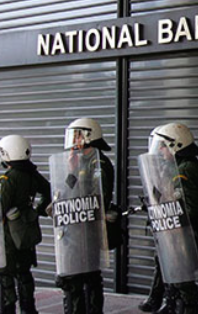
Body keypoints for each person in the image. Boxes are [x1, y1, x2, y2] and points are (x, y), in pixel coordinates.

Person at [138, 123, 198, 314]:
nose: (160, 150)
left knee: (184, 285)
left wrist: (167, 210)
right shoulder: (177, 166)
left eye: (163, 145)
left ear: (176, 145)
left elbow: (191, 210)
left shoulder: (186, 170)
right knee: (175, 278)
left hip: (189, 238)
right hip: (178, 237)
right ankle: (169, 304)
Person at [55, 118, 116, 314]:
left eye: (78, 135)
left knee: (88, 277)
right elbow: (69, 192)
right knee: (75, 278)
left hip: (88, 230)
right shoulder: (79, 161)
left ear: (89, 136)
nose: (74, 140)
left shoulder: (99, 164)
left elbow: (99, 199)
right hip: (74, 229)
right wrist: (71, 170)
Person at [0, 135, 51, 314]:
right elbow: (49, 191)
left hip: (8, 236)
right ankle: (29, 310)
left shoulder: (8, 179)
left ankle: (7, 310)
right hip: (26, 232)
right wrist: (38, 210)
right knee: (24, 274)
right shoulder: (32, 174)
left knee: (5, 275)